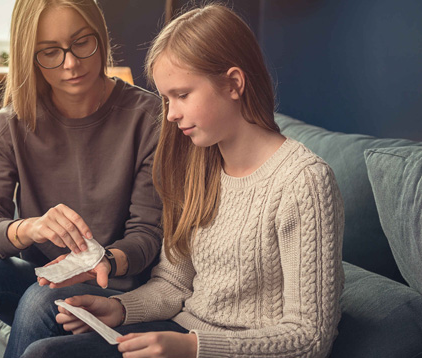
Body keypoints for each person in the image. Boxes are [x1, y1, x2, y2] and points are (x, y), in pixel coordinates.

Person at [21, 4, 345, 358]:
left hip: (219, 349)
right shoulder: (198, 167)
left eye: (183, 95)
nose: (172, 114)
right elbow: (173, 284)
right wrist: (120, 309)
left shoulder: (304, 182)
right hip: (180, 332)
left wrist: (194, 348)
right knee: (45, 352)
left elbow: (311, 339)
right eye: (166, 98)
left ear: (234, 83)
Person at [0, 0, 164, 357]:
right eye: (50, 52)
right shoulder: (10, 125)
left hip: (113, 285)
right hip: (44, 276)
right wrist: (31, 228)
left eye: (82, 42)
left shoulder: (148, 118)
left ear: (100, 35)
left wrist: (103, 261)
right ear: (30, 56)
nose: (70, 63)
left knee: (43, 299)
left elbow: (147, 235)